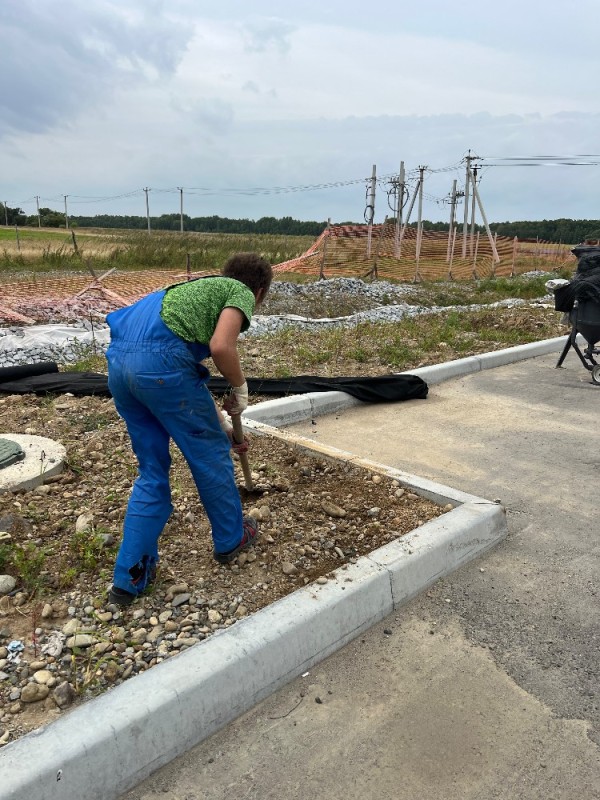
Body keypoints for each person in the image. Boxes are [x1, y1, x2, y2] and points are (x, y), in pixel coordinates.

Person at [104, 252, 273, 606]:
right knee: (209, 456)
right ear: (258, 291)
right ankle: (230, 539)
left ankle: (129, 579)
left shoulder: (189, 291)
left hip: (120, 367)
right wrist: (240, 386)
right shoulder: (238, 291)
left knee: (151, 472)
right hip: (162, 370)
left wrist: (224, 425)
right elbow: (220, 347)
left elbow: (179, 370)